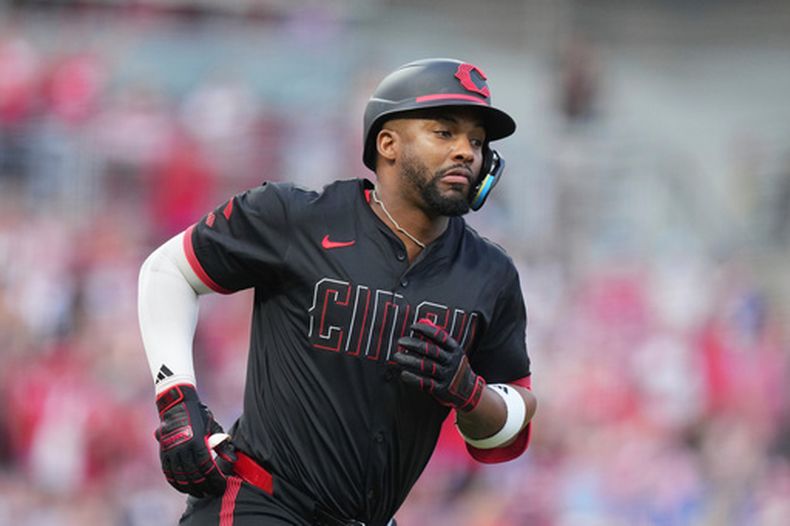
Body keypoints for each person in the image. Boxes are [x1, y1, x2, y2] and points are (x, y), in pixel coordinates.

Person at [138, 58, 537, 526]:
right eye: (444, 132)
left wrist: (469, 394)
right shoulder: (296, 217)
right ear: (387, 143)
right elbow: (168, 270)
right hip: (260, 504)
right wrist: (176, 398)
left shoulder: (490, 273)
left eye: (476, 140)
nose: (466, 152)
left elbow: (509, 430)